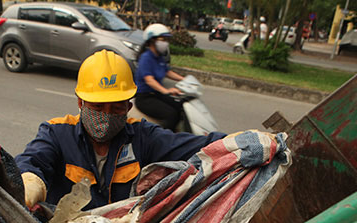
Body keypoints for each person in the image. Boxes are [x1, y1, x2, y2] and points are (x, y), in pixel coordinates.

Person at [15, 49, 226, 211]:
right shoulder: (57, 133)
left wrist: (241, 141)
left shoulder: (143, 137)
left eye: (116, 107)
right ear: (81, 102)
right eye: (98, 107)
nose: (106, 116)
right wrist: (30, 183)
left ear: (128, 107)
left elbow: (203, 146)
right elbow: (31, 162)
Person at [133, 23, 185, 132]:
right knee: (170, 114)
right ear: (152, 41)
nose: (165, 43)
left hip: (156, 95)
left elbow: (167, 72)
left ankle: (178, 134)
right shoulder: (146, 58)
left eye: (167, 40)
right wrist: (166, 91)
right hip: (145, 98)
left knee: (180, 105)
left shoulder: (159, 57)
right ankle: (165, 140)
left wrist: (184, 79)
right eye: (163, 39)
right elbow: (149, 80)